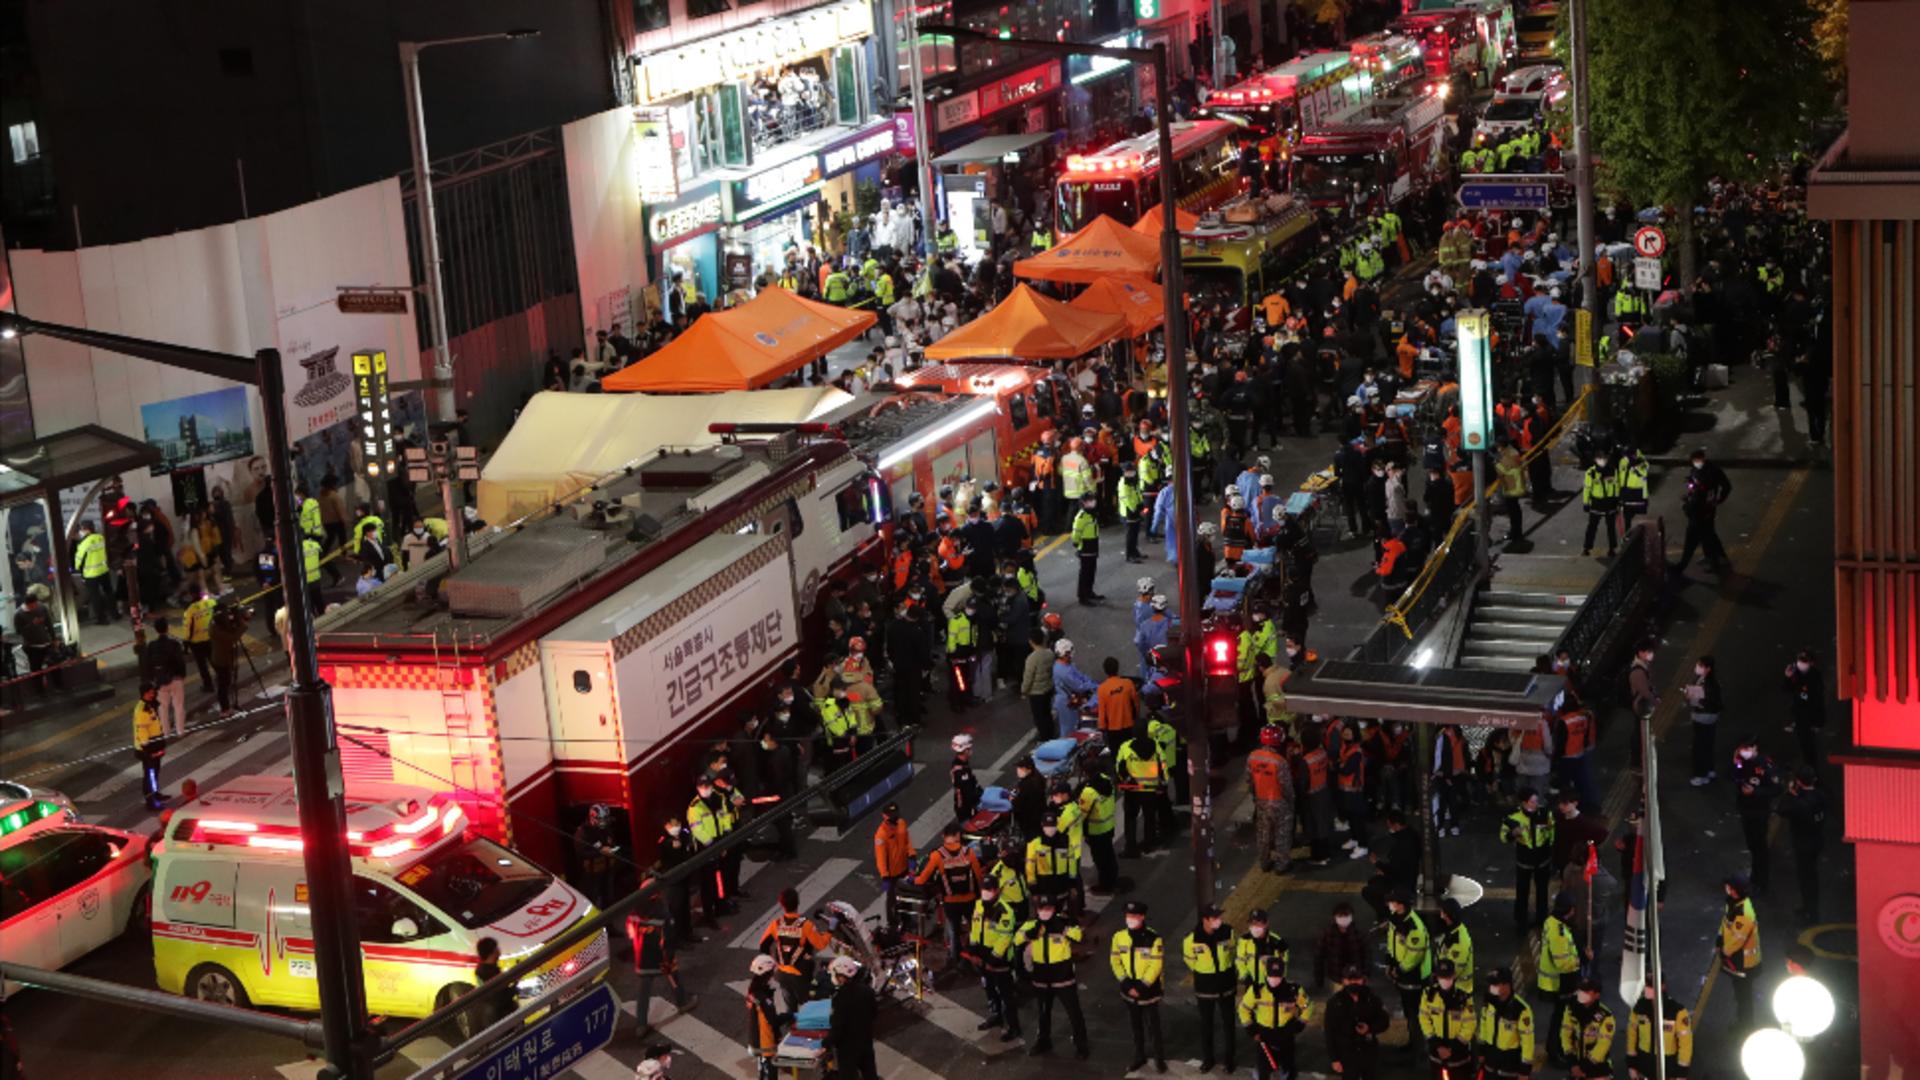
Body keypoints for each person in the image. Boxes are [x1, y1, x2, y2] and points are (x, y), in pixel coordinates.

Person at [1015, 894, 1089, 1059]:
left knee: (1073, 1012)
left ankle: (1081, 1045)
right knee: (1043, 1012)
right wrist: (1029, 934)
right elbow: (1017, 939)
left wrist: (1062, 928)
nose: (1044, 912)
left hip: (1063, 976)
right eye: (1041, 909)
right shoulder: (1032, 924)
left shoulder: (1065, 922)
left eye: (1048, 909)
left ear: (1054, 910)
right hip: (1042, 976)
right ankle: (1043, 1041)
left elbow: (1079, 936)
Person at [1110, 900, 1168, 1072]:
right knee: (1136, 1026)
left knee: (1153, 1027)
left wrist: (1141, 987)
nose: (1130, 919)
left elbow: (1156, 966)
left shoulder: (1153, 938)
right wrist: (1127, 984)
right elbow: (1115, 961)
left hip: (1149, 990)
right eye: (1128, 916)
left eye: (1134, 916)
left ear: (1142, 917)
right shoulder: (1119, 937)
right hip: (1129, 989)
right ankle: (1139, 1056)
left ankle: (1159, 1058)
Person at [916, 824, 984, 966]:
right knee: (975, 929)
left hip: (950, 902)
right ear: (958, 835)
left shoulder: (937, 856)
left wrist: (914, 880)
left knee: (954, 932)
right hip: (970, 900)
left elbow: (922, 879)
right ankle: (977, 956)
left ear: (944, 836)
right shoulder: (968, 852)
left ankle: (955, 960)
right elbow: (979, 876)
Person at [968, 874, 1024, 1041]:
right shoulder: (978, 905)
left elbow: (1005, 938)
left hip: (999, 960)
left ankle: (1014, 1027)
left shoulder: (1005, 911)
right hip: (983, 956)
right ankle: (996, 1015)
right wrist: (973, 951)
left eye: (990, 889)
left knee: (1006, 994)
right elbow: (975, 928)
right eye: (985, 889)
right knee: (989, 989)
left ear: (996, 890)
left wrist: (992, 959)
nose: (987, 892)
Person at [1183, 903, 1238, 1073]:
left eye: (1219, 917)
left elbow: (1234, 953)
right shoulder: (1191, 940)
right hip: (1205, 988)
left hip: (1226, 986)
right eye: (1214, 918)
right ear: (1205, 920)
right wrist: (1206, 973)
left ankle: (1230, 1060)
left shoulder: (1228, 932)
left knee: (1229, 1024)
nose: (1218, 921)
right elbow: (1190, 961)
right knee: (1206, 1025)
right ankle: (1208, 1059)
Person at [1241, 954, 1312, 1080]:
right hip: (1264, 1035)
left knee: (1289, 1068)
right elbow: (1243, 1009)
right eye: (1271, 975)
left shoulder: (1294, 990)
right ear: (1266, 973)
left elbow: (1307, 1006)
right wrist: (1251, 1029)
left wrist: (1299, 1024)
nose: (1274, 979)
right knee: (1263, 1070)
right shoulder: (1256, 990)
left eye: (1277, 976)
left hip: (1286, 1033)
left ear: (1283, 974)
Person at [759, 886, 831, 1006]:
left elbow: (763, 946)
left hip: (781, 974)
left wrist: (774, 964)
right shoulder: (806, 925)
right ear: (798, 903)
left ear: (781, 905)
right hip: (800, 975)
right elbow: (821, 944)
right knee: (810, 1004)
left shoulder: (776, 924)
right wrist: (830, 931)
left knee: (790, 1006)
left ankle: (790, 1022)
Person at [1382, 888, 1432, 1056]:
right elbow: (1391, 943)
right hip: (1403, 972)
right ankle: (1414, 1042)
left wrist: (1400, 969)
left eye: (1393, 902)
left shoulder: (1414, 926)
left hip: (1414, 976)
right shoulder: (1395, 919)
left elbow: (1414, 956)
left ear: (1401, 905)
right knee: (1408, 1011)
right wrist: (1389, 963)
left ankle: (1419, 1048)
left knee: (1415, 1013)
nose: (1390, 904)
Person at [1775, 766, 1828, 922]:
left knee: (1806, 878)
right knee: (1812, 877)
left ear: (1798, 781)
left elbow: (1781, 810)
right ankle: (1811, 909)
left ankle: (1810, 912)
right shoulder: (1821, 796)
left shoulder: (1798, 802)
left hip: (1803, 843)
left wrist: (1790, 794)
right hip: (1817, 839)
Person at [1538, 893, 1584, 1061]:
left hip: (1555, 981)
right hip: (1560, 982)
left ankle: (1557, 1048)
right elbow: (1564, 964)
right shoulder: (1560, 933)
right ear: (1570, 911)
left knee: (1559, 1016)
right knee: (1560, 1018)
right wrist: (1581, 959)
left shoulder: (1551, 922)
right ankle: (1555, 1051)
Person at [1501, 788, 1555, 927]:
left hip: (1542, 859)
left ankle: (1542, 918)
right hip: (1524, 860)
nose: (1536, 804)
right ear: (1524, 803)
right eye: (1533, 801)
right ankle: (1521, 920)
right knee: (1522, 891)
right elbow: (1503, 837)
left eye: (1537, 800)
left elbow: (1552, 832)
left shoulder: (1544, 813)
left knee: (1542, 891)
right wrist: (1513, 834)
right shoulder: (1513, 817)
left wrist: (1551, 845)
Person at [1324, 964, 1389, 1079]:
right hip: (1346, 1055)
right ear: (1343, 981)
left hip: (1369, 1053)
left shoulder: (1372, 999)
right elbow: (1329, 1033)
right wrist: (1334, 1059)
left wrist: (1369, 1028)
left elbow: (1384, 1022)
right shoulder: (1334, 1003)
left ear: (1363, 980)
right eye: (1350, 979)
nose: (1353, 982)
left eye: (1357, 979)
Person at [1732, 735, 1780, 892]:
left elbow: (1776, 789)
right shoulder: (1742, 762)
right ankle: (1754, 877)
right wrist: (1736, 764)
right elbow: (1734, 777)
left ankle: (1761, 882)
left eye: (1746, 748)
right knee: (1752, 845)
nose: (1743, 752)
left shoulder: (1765, 765)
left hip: (1760, 811)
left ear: (1755, 748)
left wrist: (1755, 792)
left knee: (1760, 847)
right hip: (1746, 809)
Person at [1418, 958, 1477, 1080]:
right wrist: (1437, 1044)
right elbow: (1424, 1018)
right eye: (1442, 977)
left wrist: (1452, 1048)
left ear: (1454, 976)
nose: (1445, 980)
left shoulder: (1464, 998)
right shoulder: (1429, 995)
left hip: (1458, 1055)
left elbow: (1470, 1025)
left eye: (1448, 977)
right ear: (1436, 976)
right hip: (1436, 1053)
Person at [1248, 725, 1295, 873]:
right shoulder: (1280, 761)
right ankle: (1281, 864)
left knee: (1264, 833)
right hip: (1279, 802)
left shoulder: (1253, 757)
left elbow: (1250, 781)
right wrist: (1291, 801)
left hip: (1262, 801)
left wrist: (1256, 798)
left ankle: (1264, 862)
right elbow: (1286, 786)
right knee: (1282, 834)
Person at [1718, 874, 1762, 1028]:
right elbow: (1726, 923)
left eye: (1728, 886)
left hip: (1744, 963)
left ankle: (1745, 1025)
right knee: (1740, 994)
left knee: (1744, 996)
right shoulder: (1733, 904)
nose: (1726, 888)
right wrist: (1720, 937)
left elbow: (1738, 938)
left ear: (1734, 890)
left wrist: (1724, 951)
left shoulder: (1744, 913)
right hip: (1737, 960)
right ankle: (1743, 1022)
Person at [826, 955, 879, 1080]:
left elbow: (838, 1027)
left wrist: (825, 1043)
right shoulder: (868, 991)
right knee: (870, 1074)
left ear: (841, 976)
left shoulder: (840, 998)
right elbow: (874, 1013)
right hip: (865, 1041)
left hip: (847, 1048)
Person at [1477, 968, 1536, 1079]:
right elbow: (1483, 1027)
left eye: (1495, 984)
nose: (1491, 987)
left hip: (1509, 1066)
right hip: (1490, 1061)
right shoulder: (1489, 1002)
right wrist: (1481, 1051)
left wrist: (1525, 1070)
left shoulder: (1521, 1009)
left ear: (1507, 985)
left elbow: (1527, 1041)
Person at [1625, 981, 1692, 1079]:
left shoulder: (1677, 1011)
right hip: (1643, 1068)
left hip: (1667, 1070)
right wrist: (1631, 1066)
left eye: (1651, 986)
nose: (1647, 989)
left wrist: (1681, 1075)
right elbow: (1631, 1037)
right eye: (1646, 985)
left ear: (1662, 986)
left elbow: (1686, 1045)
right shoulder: (1639, 1008)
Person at [1116, 729, 1167, 856]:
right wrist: (1163, 784)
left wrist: (1126, 780)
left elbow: (1119, 767)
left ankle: (1131, 848)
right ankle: (1149, 845)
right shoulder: (1156, 745)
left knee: (1130, 819)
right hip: (1150, 790)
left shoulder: (1126, 747)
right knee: (1149, 817)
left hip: (1133, 790)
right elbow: (1163, 765)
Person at [141, 616, 191, 739]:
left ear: (156, 630)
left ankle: (166, 732)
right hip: (175, 679)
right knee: (178, 706)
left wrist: (151, 678)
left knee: (162, 708)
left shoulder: (152, 646)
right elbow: (180, 661)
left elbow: (147, 664)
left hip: (160, 681)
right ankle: (180, 730)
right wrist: (182, 675)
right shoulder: (174, 644)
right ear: (167, 628)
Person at [1562, 976, 1617, 1079]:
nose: (1582, 994)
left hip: (1597, 1066)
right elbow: (1565, 1035)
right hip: (1576, 1063)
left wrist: (1582, 1067)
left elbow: (1603, 1045)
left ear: (1597, 995)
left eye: (1587, 992)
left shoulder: (1606, 1016)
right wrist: (1572, 1063)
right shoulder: (1570, 1009)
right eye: (1581, 990)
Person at [745, 954, 789, 1080]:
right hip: (765, 1042)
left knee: (763, 1072)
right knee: (770, 1074)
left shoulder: (754, 991)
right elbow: (774, 1021)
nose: (773, 976)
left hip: (756, 1039)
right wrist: (790, 1015)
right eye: (771, 973)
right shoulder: (763, 998)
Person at [571, 803, 621, 910]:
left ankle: (609, 925)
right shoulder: (583, 833)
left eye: (606, 819)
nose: (604, 822)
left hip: (607, 871)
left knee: (609, 900)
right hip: (592, 875)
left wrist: (612, 849)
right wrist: (600, 852)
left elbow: (611, 842)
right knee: (592, 902)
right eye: (602, 819)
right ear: (592, 818)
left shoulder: (606, 829)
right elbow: (582, 853)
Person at [1782, 648, 1827, 766]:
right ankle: (1808, 763)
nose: (1801, 663)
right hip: (1799, 712)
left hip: (1811, 713)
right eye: (1799, 660)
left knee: (1809, 742)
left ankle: (1811, 765)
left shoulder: (1815, 676)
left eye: (1804, 660)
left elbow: (1815, 697)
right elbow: (1786, 689)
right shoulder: (1794, 673)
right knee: (1803, 741)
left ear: (1811, 663)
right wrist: (1787, 677)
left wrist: (1818, 722)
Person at [1313, 901, 1370, 992]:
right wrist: (1319, 979)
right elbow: (1319, 957)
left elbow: (1367, 955)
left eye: (1346, 915)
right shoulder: (1328, 935)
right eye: (1340, 916)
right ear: (1335, 918)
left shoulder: (1358, 934)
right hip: (1337, 979)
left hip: (1357, 978)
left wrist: (1365, 975)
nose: (1344, 919)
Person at [1685, 655, 1723, 785]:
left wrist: (1689, 695)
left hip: (1702, 718)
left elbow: (1698, 701)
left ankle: (1701, 775)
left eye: (1700, 665)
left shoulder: (1705, 683)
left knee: (1699, 747)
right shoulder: (1714, 682)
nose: (1697, 667)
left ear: (1708, 668)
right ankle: (1710, 770)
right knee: (1708, 744)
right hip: (1712, 718)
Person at [872, 803, 911, 929]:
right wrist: (885, 876)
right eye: (891, 816)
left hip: (904, 867)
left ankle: (907, 919)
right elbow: (881, 857)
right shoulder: (881, 835)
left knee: (907, 895)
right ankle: (893, 923)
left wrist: (912, 855)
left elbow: (907, 842)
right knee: (892, 900)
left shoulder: (901, 823)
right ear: (884, 816)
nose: (895, 818)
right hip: (892, 874)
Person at [131, 683, 167, 810]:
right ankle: (151, 801)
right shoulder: (142, 710)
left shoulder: (150, 705)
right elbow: (142, 731)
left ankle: (156, 794)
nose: (153, 694)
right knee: (150, 774)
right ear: (144, 693)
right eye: (150, 692)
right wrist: (148, 750)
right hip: (147, 749)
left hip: (154, 745)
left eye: (153, 692)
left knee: (155, 772)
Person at [1580, 447, 1621, 556]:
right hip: (1597, 503)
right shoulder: (1591, 472)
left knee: (1611, 527)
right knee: (1592, 527)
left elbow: (1616, 486)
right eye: (1599, 459)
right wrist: (1586, 502)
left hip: (1610, 502)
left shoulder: (1613, 471)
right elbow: (1587, 488)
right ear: (1595, 460)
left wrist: (1617, 500)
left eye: (1604, 458)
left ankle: (1612, 548)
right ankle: (1586, 548)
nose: (1602, 461)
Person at [469, 938, 516, 1030]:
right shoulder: (491, 974)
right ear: (493, 952)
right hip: (501, 1017)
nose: (499, 950)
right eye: (497, 948)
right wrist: (514, 987)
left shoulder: (481, 970)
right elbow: (500, 998)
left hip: (494, 1016)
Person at [74, 519, 115, 625]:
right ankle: (115, 614)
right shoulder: (100, 537)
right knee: (109, 592)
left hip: (91, 574)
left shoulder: (84, 542)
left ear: (87, 530)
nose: (81, 531)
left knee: (95, 596)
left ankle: (102, 619)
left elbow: (79, 559)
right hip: (104, 570)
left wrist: (77, 568)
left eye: (82, 529)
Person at [1022, 630, 1056, 744]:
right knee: (1047, 714)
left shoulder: (1032, 658)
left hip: (1036, 692)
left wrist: (1024, 690)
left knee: (1039, 717)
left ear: (1031, 642)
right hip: (1048, 688)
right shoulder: (1050, 653)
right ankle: (1051, 734)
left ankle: (1044, 738)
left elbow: (1028, 677)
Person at [1071, 494, 1103, 604]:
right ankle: (1082, 597)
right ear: (1083, 503)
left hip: (1093, 545)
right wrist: (1076, 543)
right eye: (1090, 501)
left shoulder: (1092, 514)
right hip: (1085, 547)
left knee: (1091, 572)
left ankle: (1089, 592)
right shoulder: (1081, 517)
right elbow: (1076, 533)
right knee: (1085, 573)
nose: (1093, 502)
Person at [950, 734, 984, 820]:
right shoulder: (961, 771)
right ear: (965, 751)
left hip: (966, 804)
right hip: (965, 808)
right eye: (969, 749)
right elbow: (968, 793)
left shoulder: (962, 764)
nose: (971, 751)